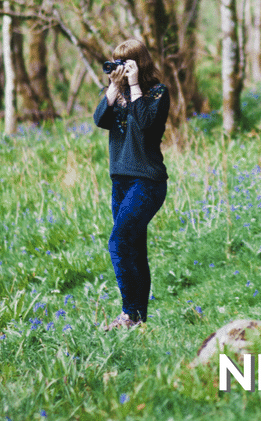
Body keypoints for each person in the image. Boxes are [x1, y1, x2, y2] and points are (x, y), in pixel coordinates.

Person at [93, 39, 170, 330]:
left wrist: (135, 84)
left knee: (118, 241)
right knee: (135, 248)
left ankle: (128, 314)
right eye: (116, 62)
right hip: (121, 181)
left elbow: (146, 122)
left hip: (148, 181)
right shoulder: (114, 92)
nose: (120, 68)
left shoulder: (158, 93)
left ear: (140, 63)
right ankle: (138, 319)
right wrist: (114, 88)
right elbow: (100, 119)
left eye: (126, 63)